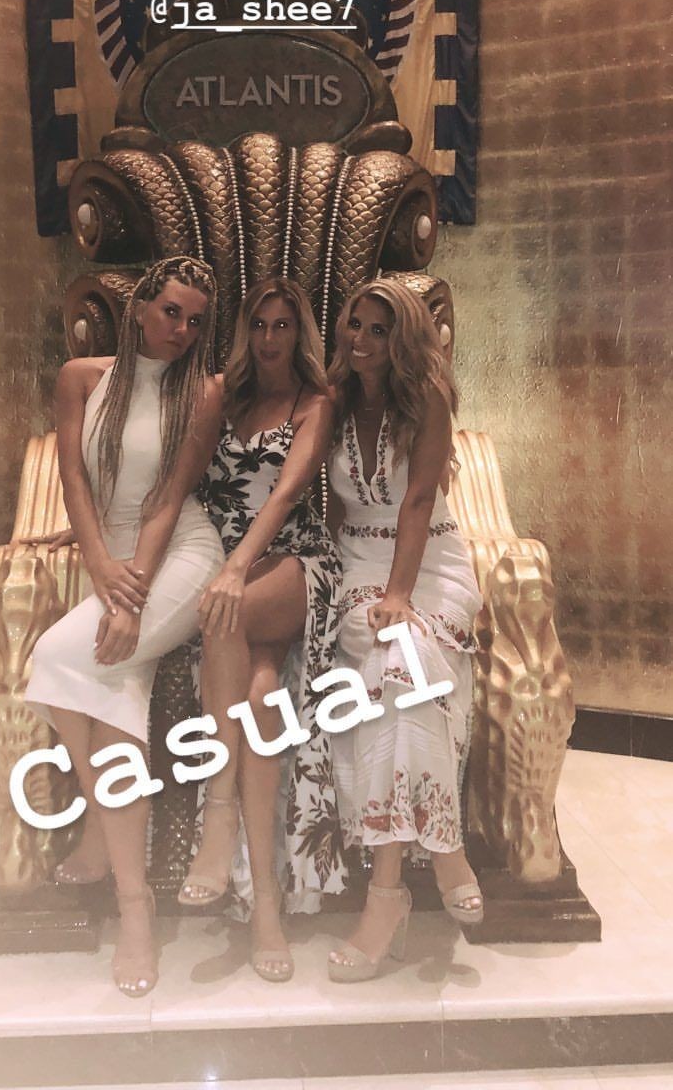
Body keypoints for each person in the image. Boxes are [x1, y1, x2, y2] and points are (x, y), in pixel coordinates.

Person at [25, 256, 224, 998]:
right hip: (112, 562)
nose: (183, 330)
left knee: (66, 658)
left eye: (196, 321)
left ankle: (120, 881)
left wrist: (131, 594)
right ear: (139, 307)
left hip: (177, 557)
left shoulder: (200, 392)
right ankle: (130, 892)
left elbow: (169, 497)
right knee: (101, 689)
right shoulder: (81, 378)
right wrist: (98, 564)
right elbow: (76, 479)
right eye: (172, 312)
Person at [178, 277, 344, 981]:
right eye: (259, 325)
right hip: (231, 571)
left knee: (226, 610)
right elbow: (180, 479)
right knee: (261, 698)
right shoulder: (223, 397)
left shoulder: (315, 402)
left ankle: (218, 820)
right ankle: (266, 908)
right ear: (245, 333)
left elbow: (284, 495)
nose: (270, 338)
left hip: (295, 564)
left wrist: (235, 569)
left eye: (283, 325)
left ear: (299, 332)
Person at [325, 277, 483, 982]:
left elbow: (419, 499)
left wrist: (399, 594)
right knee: (402, 660)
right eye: (354, 324)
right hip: (359, 559)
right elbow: (331, 504)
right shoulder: (332, 398)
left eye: (379, 329)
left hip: (431, 562)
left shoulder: (428, 399)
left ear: (404, 338)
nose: (361, 339)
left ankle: (385, 895)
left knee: (402, 656)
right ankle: (446, 851)